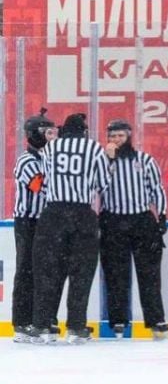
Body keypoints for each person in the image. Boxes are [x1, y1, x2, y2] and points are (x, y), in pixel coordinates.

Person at [30, 112, 109, 344]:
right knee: (81, 272)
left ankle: (43, 325)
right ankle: (75, 327)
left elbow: (41, 182)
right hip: (82, 213)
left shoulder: (50, 148)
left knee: (47, 270)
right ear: (83, 131)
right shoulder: (94, 149)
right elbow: (103, 183)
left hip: (53, 213)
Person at [99, 118, 168, 340]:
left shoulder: (144, 160)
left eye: (120, 136)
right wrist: (109, 161)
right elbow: (98, 186)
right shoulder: (102, 162)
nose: (116, 140)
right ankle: (119, 321)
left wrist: (161, 215)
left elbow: (156, 189)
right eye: (112, 136)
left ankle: (156, 321)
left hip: (141, 221)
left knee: (149, 274)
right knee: (115, 275)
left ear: (129, 136)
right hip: (112, 220)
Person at [12, 110, 58, 344]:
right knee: (26, 270)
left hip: (47, 222)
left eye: (53, 132)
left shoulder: (49, 158)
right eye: (46, 132)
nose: (51, 137)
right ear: (34, 135)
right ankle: (22, 321)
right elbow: (41, 186)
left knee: (47, 272)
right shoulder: (26, 160)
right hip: (28, 222)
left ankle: (43, 318)